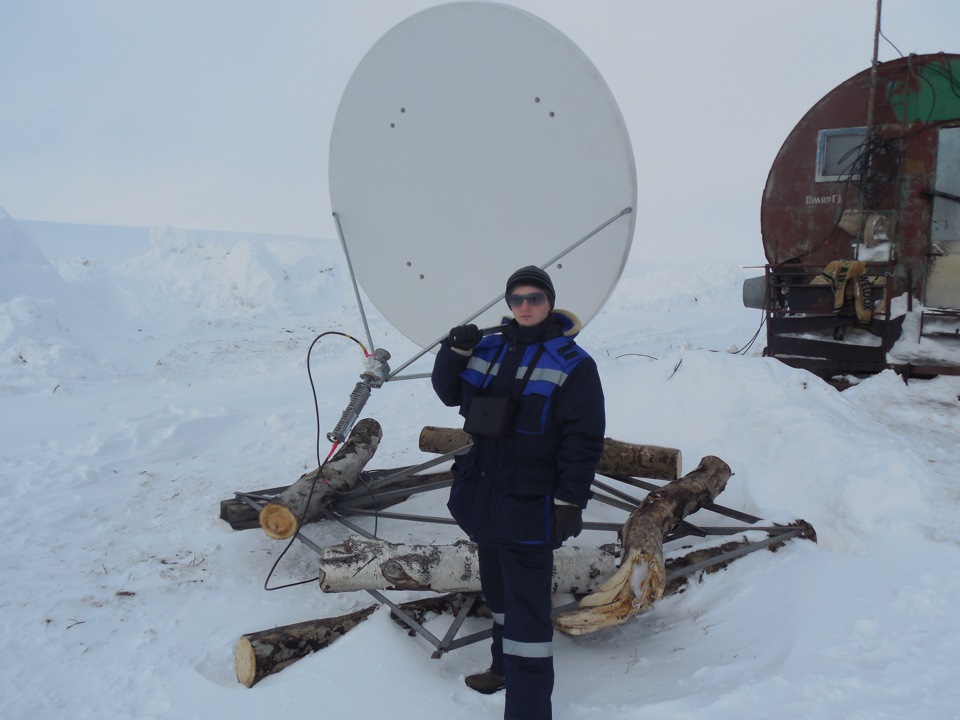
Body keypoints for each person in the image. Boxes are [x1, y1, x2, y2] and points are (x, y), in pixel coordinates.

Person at [431, 265, 605, 720]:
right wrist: (454, 351)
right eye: (517, 299)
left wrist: (570, 502)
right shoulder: (487, 347)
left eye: (535, 298)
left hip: (530, 501)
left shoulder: (573, 363)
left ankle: (528, 710)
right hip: (484, 496)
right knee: (500, 596)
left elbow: (582, 440)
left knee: (527, 614)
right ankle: (501, 669)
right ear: (508, 304)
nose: (525, 306)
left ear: (550, 303)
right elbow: (449, 393)